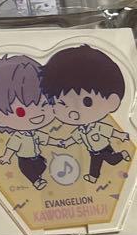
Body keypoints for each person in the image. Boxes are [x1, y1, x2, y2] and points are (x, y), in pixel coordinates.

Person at [0, 54, 61, 189]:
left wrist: (58, 142)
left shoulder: (35, 134)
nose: (37, 114)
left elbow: (45, 138)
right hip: (25, 159)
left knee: (42, 166)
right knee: (28, 171)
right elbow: (11, 147)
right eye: (21, 112)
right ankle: (36, 181)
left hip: (37, 157)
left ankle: (39, 177)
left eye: (44, 104)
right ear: (0, 117)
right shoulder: (18, 136)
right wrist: (6, 157)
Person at [43, 44, 132, 183]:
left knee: (112, 160)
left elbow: (110, 131)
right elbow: (74, 138)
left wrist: (121, 135)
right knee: (95, 163)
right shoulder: (80, 130)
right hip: (93, 151)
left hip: (105, 148)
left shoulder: (98, 127)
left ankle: (122, 155)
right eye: (62, 103)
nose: (73, 112)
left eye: (87, 101)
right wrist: (65, 143)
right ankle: (93, 177)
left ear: (112, 101)